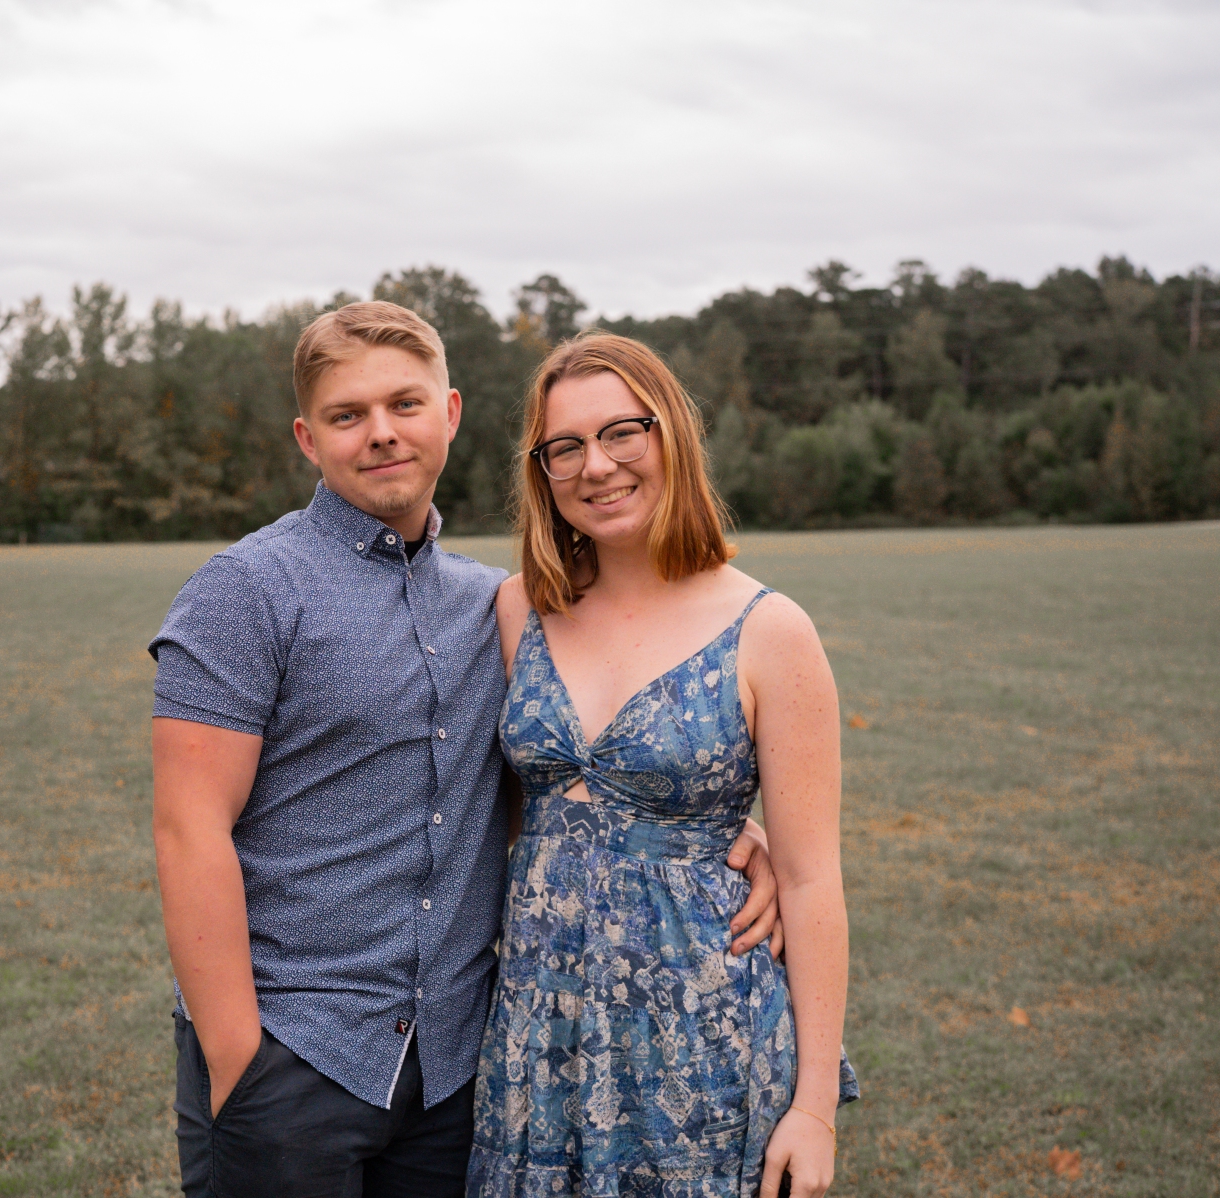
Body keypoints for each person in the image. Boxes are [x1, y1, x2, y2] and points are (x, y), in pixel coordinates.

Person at [148, 303, 786, 1197]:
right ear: (307, 438)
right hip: (292, 1057)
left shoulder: (497, 607)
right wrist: (236, 1061)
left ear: (448, 414)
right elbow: (188, 831)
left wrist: (718, 830)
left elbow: (560, 768)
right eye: (347, 414)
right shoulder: (244, 592)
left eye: (404, 405)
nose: (381, 432)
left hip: (452, 1069)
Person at [468, 333, 859, 1198]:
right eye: (565, 446)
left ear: (672, 432)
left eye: (622, 432)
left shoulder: (770, 630)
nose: (596, 465)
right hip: (539, 1042)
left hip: (702, 1043)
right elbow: (504, 811)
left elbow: (811, 881)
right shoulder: (517, 610)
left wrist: (815, 1108)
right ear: (542, 471)